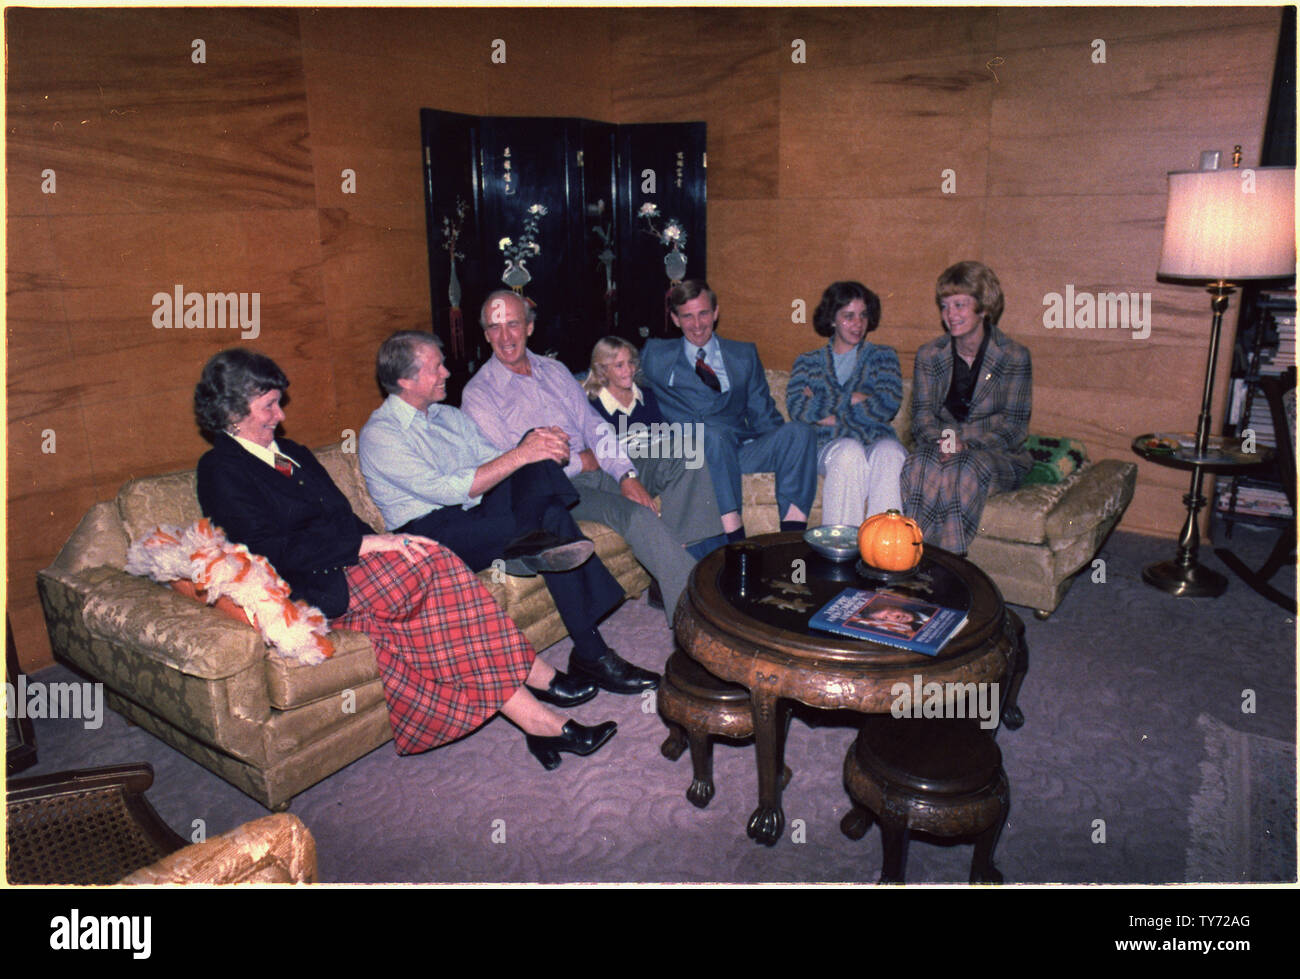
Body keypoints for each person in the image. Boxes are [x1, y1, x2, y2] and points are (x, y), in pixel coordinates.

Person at [192, 348, 616, 771]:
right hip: (310, 584)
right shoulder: (221, 470)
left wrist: (386, 544)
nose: (280, 415)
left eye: (278, 403)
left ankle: (539, 721)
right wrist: (365, 548)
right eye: (268, 406)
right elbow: (268, 551)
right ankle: (537, 682)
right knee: (436, 564)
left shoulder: (293, 453)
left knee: (432, 580)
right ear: (232, 411)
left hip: (352, 565)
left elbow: (343, 517)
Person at [358, 330, 645, 696]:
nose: (447, 372)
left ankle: (530, 544)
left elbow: (493, 462)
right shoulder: (380, 435)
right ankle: (593, 653)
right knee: (549, 507)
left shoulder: (447, 416)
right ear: (405, 381)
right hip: (432, 535)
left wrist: (533, 446)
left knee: (535, 460)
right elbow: (449, 490)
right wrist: (522, 452)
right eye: (436, 368)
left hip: (476, 513)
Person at [461, 290, 722, 639]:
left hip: (598, 466)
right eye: (495, 327)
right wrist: (578, 462)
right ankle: (698, 618)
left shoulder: (554, 370)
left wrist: (626, 473)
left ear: (530, 326)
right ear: (485, 334)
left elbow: (593, 425)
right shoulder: (479, 394)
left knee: (687, 457)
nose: (505, 336)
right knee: (637, 515)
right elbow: (514, 468)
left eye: (513, 324)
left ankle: (684, 574)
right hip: (559, 490)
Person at [639, 279, 818, 542]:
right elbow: (614, 374)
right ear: (675, 319)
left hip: (738, 450)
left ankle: (790, 539)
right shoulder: (656, 354)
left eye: (703, 314)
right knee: (713, 435)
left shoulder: (743, 354)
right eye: (688, 316)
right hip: (696, 454)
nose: (698, 325)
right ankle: (735, 537)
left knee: (799, 433)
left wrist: (785, 449)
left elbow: (763, 413)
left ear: (716, 312)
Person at [901, 261, 1032, 554]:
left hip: (995, 456)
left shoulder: (1013, 356)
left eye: (959, 305)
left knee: (964, 469)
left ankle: (948, 563)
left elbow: (1015, 428)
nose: (950, 315)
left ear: (983, 307)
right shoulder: (929, 355)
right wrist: (945, 441)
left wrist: (964, 443)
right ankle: (913, 557)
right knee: (916, 463)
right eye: (945, 306)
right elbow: (921, 416)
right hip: (939, 448)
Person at [584, 336, 728, 557]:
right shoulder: (592, 405)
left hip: (655, 464)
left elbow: (663, 434)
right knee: (685, 451)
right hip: (621, 473)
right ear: (603, 370)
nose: (628, 370)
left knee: (691, 453)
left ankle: (703, 553)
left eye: (631, 362)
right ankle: (688, 552)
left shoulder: (646, 395)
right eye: (619, 365)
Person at [787, 281, 907, 527]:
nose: (858, 324)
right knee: (848, 452)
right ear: (832, 319)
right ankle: (841, 550)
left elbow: (886, 404)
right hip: (828, 446)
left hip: (875, 441)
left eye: (863, 315)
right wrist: (856, 399)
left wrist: (827, 410)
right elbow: (798, 408)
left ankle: (885, 550)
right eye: (848, 316)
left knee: (891, 453)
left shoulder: (883, 356)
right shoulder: (808, 361)